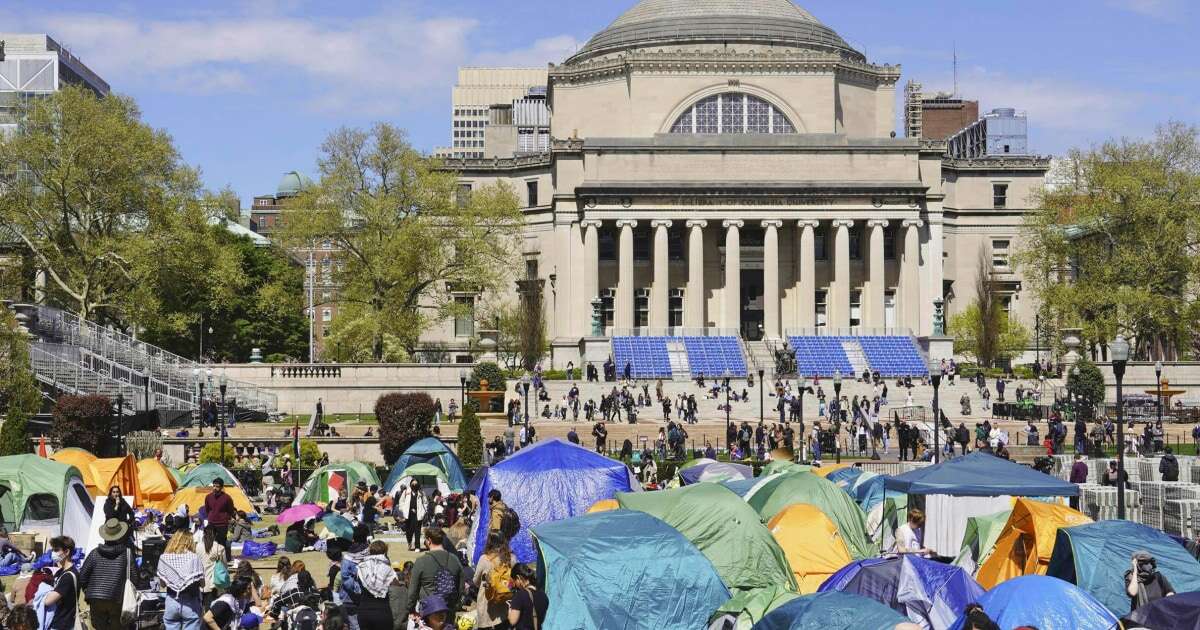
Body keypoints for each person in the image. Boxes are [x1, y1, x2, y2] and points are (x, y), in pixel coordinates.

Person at [79, 518, 131, 629]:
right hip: (117, 598)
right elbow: (135, 578)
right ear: (121, 536)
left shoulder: (94, 553)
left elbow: (82, 576)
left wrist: (88, 591)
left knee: (99, 627)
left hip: (96, 598)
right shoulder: (126, 554)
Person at [406, 527, 463, 615]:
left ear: (429, 540)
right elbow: (460, 586)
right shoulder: (455, 559)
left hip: (429, 611)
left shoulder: (421, 561)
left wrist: (411, 609)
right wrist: (456, 605)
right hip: (449, 609)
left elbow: (413, 591)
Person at [159, 531, 206, 630]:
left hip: (171, 601)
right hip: (190, 602)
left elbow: (162, 584)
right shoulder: (194, 558)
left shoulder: (164, 558)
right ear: (189, 542)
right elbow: (202, 584)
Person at [473, 531, 513, 629]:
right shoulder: (508, 558)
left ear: (489, 542)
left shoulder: (484, 559)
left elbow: (475, 581)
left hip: (487, 604)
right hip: (502, 601)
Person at [42, 536, 78, 630]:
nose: (53, 553)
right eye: (53, 550)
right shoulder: (60, 571)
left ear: (66, 552)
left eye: (56, 550)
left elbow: (47, 601)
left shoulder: (68, 576)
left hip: (62, 624)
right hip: (56, 620)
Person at [506, 563, 547, 630]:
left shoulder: (520, 595)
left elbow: (512, 621)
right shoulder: (544, 595)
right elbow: (541, 620)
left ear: (518, 578)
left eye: (515, 581)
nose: (516, 585)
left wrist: (510, 609)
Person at [204, 479, 236, 561]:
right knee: (210, 541)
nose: (215, 488)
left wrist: (225, 517)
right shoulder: (208, 497)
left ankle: (223, 559)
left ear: (221, 487)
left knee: (221, 542)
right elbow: (207, 509)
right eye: (214, 486)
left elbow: (230, 510)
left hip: (222, 524)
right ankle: (211, 558)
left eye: (217, 486)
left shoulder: (227, 498)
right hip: (211, 523)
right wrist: (211, 517)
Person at [398, 479, 429, 551]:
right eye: (413, 484)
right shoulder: (406, 492)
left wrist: (423, 511)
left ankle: (417, 546)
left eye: (416, 484)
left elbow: (425, 502)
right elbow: (401, 502)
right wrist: (403, 509)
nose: (414, 485)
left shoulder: (421, 493)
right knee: (409, 531)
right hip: (408, 514)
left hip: (418, 514)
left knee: (417, 530)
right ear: (410, 484)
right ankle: (409, 541)